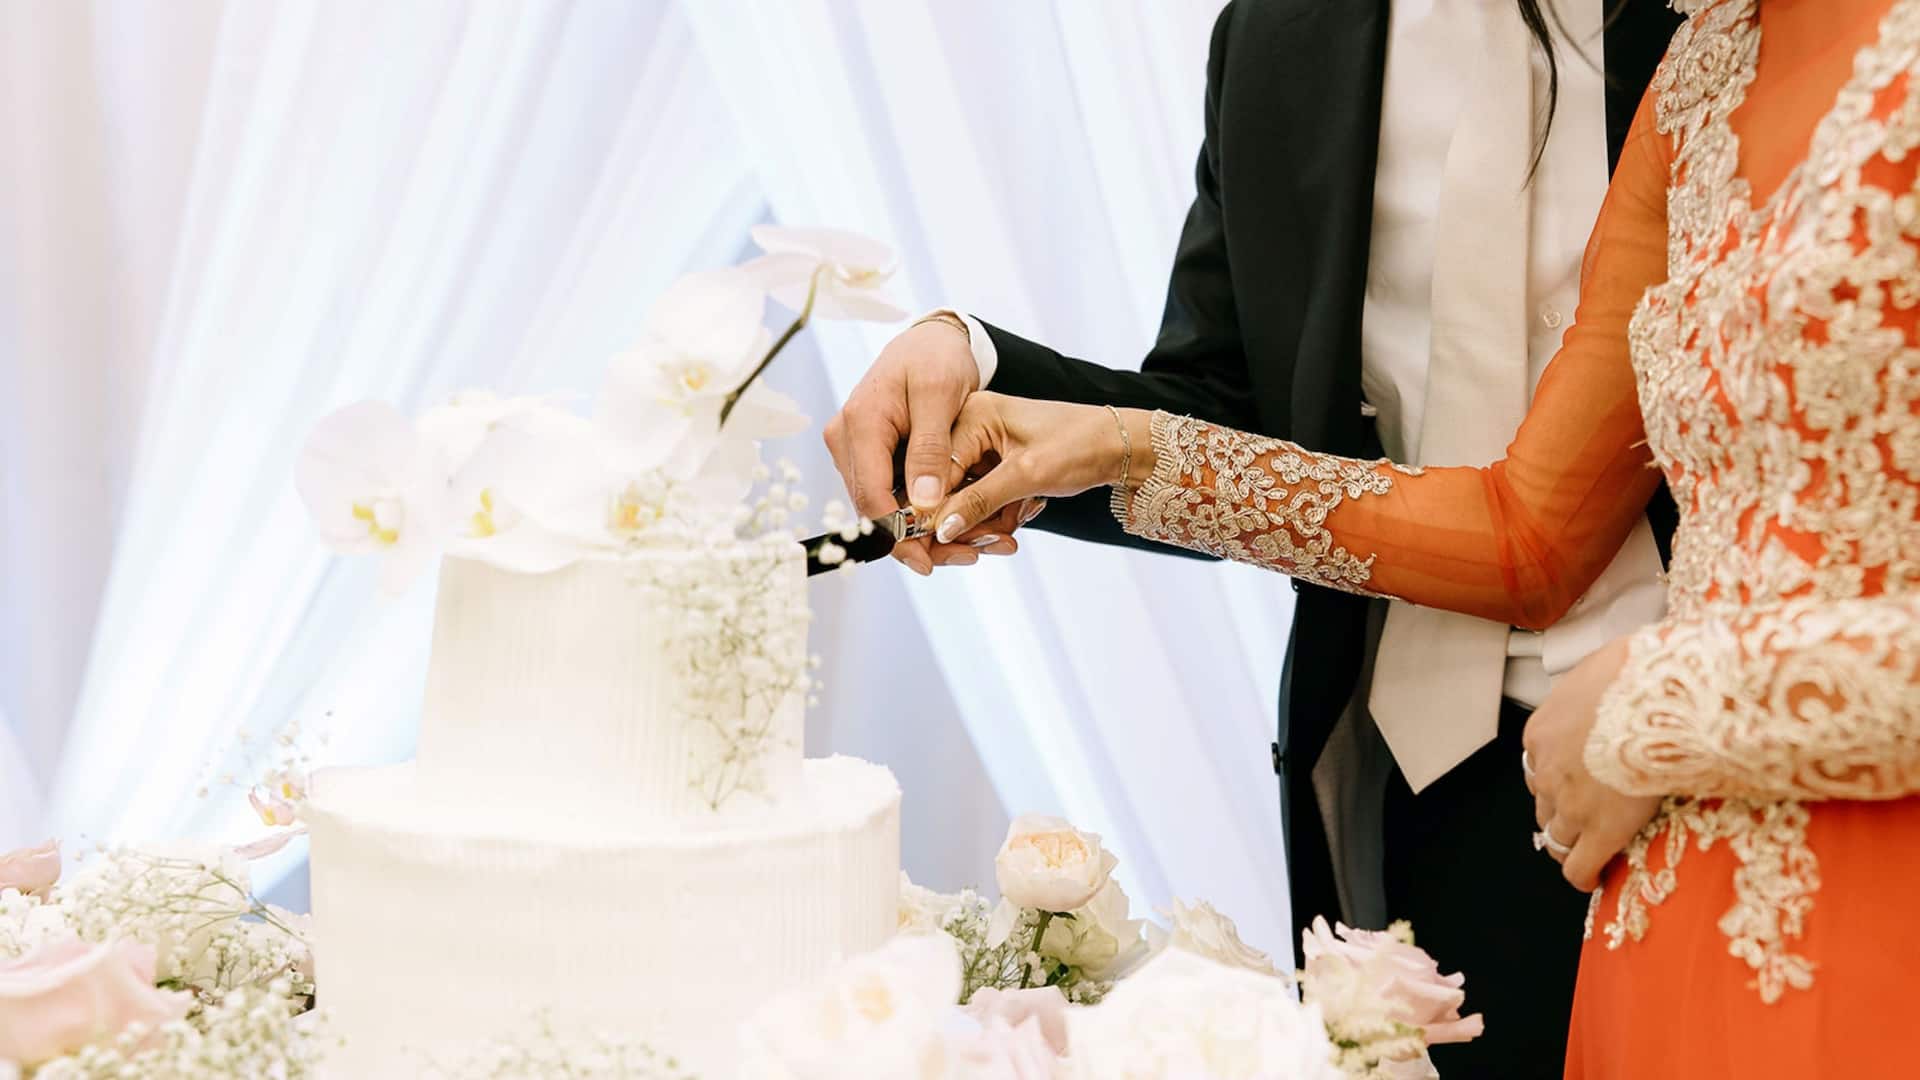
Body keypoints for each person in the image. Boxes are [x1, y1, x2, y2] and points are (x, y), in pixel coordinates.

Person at [890, 1, 1920, 1075]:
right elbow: (1522, 526)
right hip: (1564, 857)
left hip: (1797, 830)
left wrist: (1668, 699)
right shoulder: (1711, 63)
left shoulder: (1690, 31)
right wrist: (1110, 443)